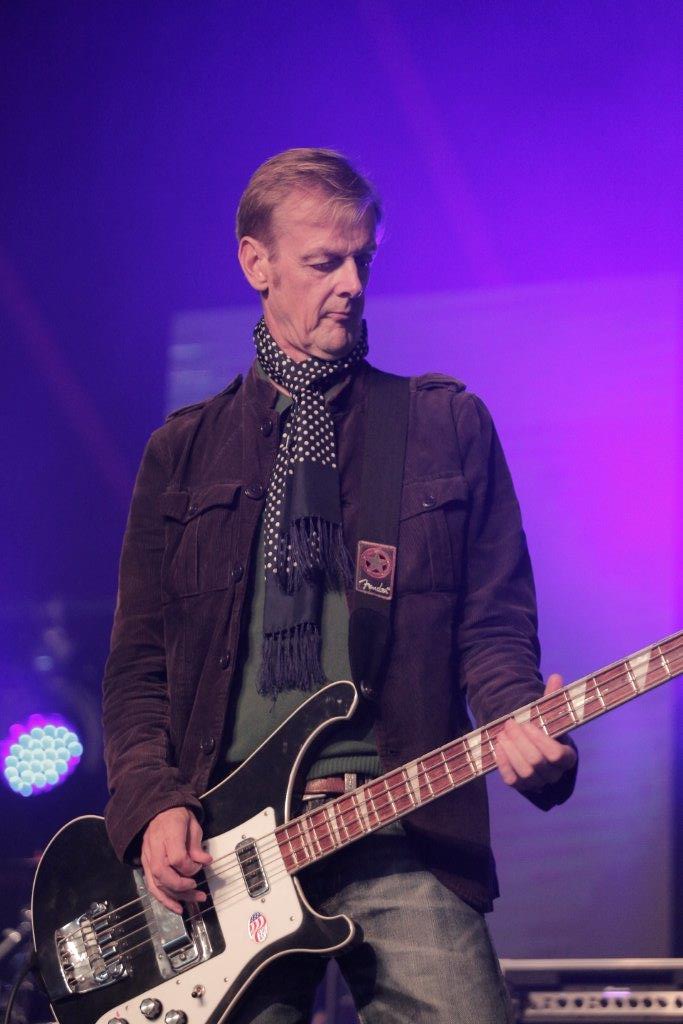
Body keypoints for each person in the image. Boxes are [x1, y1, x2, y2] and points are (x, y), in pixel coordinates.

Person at [102, 148, 577, 1023]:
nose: (352, 285)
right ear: (256, 264)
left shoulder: (442, 425)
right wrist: (151, 806)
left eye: (364, 259)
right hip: (224, 856)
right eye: (325, 262)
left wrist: (519, 718)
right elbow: (138, 668)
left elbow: (493, 627)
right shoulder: (182, 452)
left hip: (398, 828)